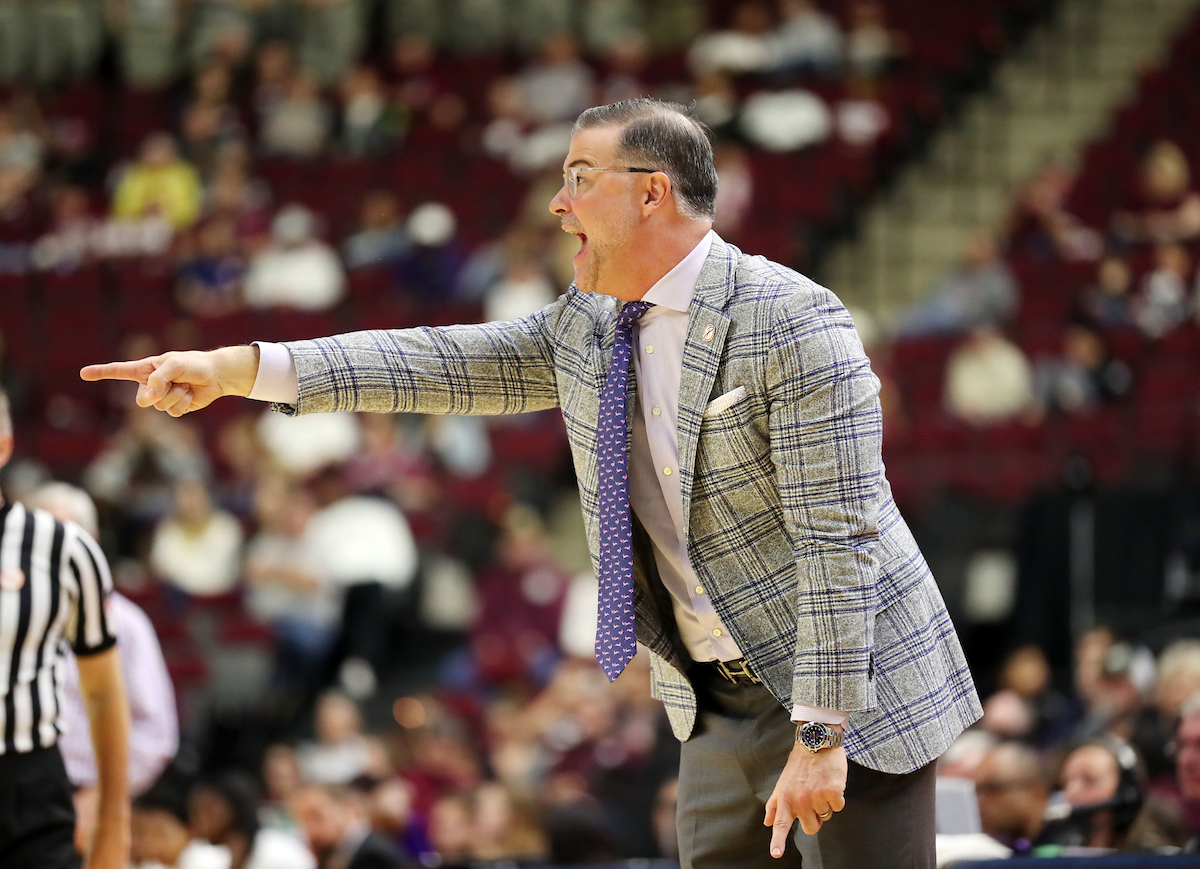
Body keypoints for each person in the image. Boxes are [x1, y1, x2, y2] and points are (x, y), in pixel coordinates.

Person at [81, 97, 981, 867]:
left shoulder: (792, 319)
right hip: (711, 702)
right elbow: (432, 360)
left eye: (580, 176)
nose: (557, 203)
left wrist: (824, 734)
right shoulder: (587, 325)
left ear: (651, 192)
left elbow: (841, 540)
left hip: (848, 691)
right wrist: (242, 366)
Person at [0, 390, 131, 868]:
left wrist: (114, 828)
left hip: (27, 784)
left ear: (4, 444)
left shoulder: (63, 549)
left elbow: (103, 693)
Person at [30, 482, 179, 852]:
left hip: (84, 794)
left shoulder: (126, 624)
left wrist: (104, 796)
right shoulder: (11, 614)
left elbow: (157, 734)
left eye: (62, 534)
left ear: (91, 541)